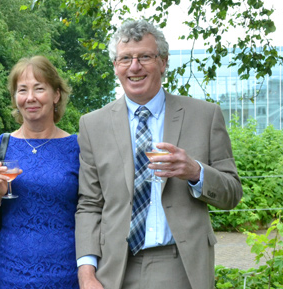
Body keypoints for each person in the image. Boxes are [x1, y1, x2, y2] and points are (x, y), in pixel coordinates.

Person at [75, 20, 243, 289]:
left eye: (145, 56)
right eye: (125, 58)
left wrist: (196, 172)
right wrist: (86, 273)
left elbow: (232, 193)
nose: (134, 66)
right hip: (115, 269)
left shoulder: (205, 116)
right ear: (115, 66)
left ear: (163, 62)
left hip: (180, 266)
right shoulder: (92, 125)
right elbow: (89, 205)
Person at [0, 55, 80, 288]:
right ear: (15, 98)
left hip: (67, 273)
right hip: (10, 273)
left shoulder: (78, 148)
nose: (30, 98)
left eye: (39, 88)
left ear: (56, 95)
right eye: (22, 90)